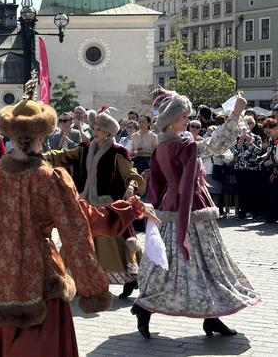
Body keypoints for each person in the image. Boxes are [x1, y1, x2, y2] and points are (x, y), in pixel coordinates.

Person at [0, 79, 152, 357]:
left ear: (10, 136)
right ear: (42, 136)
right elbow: (79, 229)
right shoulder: (51, 179)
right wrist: (93, 287)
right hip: (40, 278)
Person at [132, 91, 260, 339]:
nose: (186, 121)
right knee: (205, 263)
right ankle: (147, 307)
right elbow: (214, 145)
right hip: (190, 209)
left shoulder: (161, 147)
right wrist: (235, 115)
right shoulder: (182, 146)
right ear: (171, 122)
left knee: (173, 264)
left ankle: (201, 316)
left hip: (172, 209)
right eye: (183, 118)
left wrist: (155, 208)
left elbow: (156, 184)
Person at [45, 109, 144, 299]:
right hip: (85, 203)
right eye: (94, 128)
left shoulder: (117, 152)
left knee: (112, 246)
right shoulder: (84, 148)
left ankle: (130, 279)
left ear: (108, 132)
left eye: (99, 129)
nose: (95, 131)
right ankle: (71, 278)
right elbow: (64, 156)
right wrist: (44, 156)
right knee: (77, 241)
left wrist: (131, 187)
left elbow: (132, 174)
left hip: (107, 206)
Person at [231, 119, 262, 220]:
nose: (248, 126)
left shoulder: (257, 137)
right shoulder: (237, 138)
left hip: (253, 168)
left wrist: (250, 142)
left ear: (253, 125)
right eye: (246, 123)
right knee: (242, 191)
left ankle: (254, 212)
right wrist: (240, 141)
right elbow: (233, 153)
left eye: (250, 123)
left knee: (253, 190)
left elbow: (258, 151)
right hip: (240, 168)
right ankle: (242, 212)